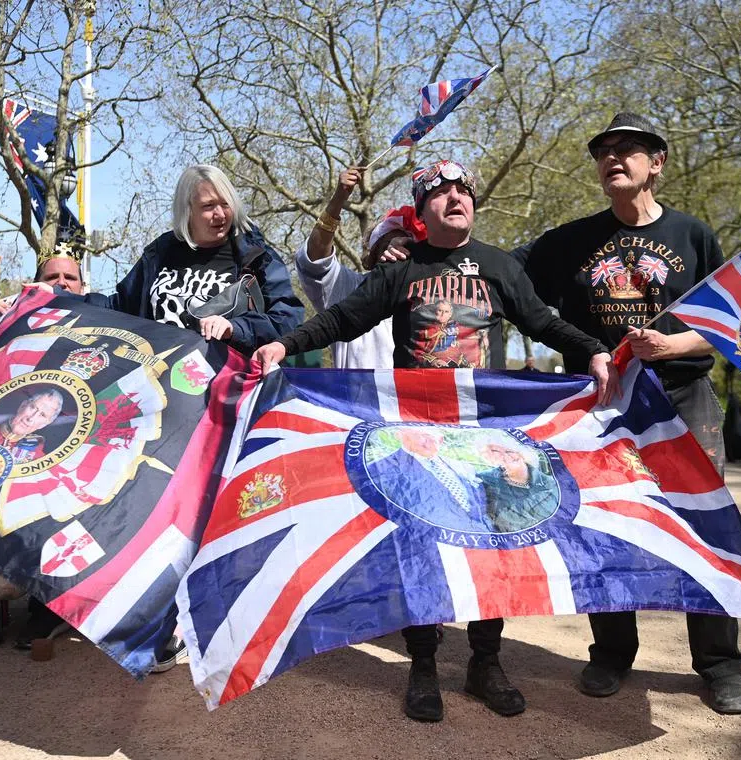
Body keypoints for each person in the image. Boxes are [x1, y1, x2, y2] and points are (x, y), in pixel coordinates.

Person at [252, 158, 616, 723]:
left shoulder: (497, 265)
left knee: (494, 543)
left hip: (484, 435)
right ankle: (422, 668)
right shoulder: (402, 271)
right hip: (416, 434)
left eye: (463, 191)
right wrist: (285, 344)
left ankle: (485, 663)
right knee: (422, 544)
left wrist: (593, 347)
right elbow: (343, 318)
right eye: (440, 193)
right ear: (421, 212)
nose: (456, 199)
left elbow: (542, 322)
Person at [517, 112, 741, 714]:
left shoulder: (693, 237)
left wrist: (677, 345)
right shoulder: (568, 241)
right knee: (604, 525)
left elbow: (736, 327)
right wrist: (415, 248)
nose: (613, 160)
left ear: (658, 162)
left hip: (683, 398)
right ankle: (612, 654)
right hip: (603, 404)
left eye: (628, 150)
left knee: (703, 525)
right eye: (603, 152)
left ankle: (720, 665)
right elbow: (504, 280)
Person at [108, 164, 303, 352]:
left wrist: (236, 328)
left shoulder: (257, 256)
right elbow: (119, 307)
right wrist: (77, 302)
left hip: (230, 380)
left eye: (225, 204)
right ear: (187, 210)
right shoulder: (159, 253)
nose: (220, 215)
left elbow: (288, 318)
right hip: (160, 379)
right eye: (208, 206)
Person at [294, 168, 426, 368]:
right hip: (356, 399)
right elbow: (315, 258)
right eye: (390, 243)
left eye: (408, 245)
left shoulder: (431, 299)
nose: (398, 251)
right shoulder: (350, 289)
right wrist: (339, 198)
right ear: (374, 255)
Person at [367, 427, 496, 533]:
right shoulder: (379, 470)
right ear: (400, 434)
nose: (426, 441)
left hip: (481, 541)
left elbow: (480, 508)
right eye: (420, 434)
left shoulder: (464, 467)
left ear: (441, 439)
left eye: (432, 435)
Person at [476, 440, 558, 533]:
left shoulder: (553, 484)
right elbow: (501, 523)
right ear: (487, 458)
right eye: (496, 452)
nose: (507, 456)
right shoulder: (483, 481)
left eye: (509, 451)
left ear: (521, 453)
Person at [0, 388, 63, 462]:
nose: (31, 418)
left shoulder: (38, 459)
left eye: (42, 415)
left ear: (44, 424)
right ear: (23, 405)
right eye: (33, 408)